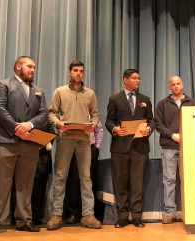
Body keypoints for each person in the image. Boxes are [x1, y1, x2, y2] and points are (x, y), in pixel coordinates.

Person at [0, 56, 48, 235]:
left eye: (34, 67)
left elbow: (44, 114)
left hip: (29, 143)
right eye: (29, 66)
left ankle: (23, 220)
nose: (33, 70)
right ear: (18, 66)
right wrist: (16, 128)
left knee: (25, 183)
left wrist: (29, 125)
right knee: (1, 182)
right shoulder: (3, 84)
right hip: (5, 141)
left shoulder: (38, 91)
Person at [47, 60, 101, 230]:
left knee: (86, 178)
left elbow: (95, 115)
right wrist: (58, 124)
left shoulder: (90, 94)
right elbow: (51, 113)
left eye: (81, 71)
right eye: (75, 70)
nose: (79, 73)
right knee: (60, 177)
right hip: (65, 138)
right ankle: (56, 215)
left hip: (84, 140)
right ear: (70, 72)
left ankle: (88, 215)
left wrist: (93, 124)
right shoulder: (60, 92)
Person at [105, 69, 155, 228]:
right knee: (121, 183)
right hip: (120, 148)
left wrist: (149, 129)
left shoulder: (145, 99)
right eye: (134, 78)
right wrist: (115, 129)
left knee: (137, 183)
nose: (137, 81)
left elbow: (151, 121)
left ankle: (137, 217)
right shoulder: (115, 99)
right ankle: (122, 217)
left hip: (140, 147)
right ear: (125, 80)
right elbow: (109, 121)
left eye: (139, 78)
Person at [155, 76, 195, 224]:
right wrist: (172, 135)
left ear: (183, 84)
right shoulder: (162, 103)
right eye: (173, 84)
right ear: (169, 87)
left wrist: (186, 135)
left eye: (178, 83)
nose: (176, 86)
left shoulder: (192, 102)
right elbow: (158, 124)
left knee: (188, 179)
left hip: (188, 146)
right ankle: (169, 212)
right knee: (169, 180)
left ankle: (191, 210)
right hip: (169, 146)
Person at [63, 121, 104, 224]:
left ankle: (88, 213)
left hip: (90, 149)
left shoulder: (93, 116)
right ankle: (73, 213)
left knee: (89, 181)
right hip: (73, 148)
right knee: (73, 183)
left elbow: (99, 130)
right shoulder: (72, 115)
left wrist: (97, 147)